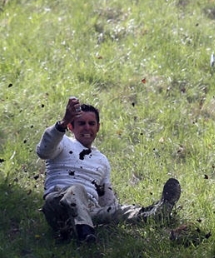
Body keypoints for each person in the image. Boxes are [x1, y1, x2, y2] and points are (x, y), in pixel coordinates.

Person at [37, 97, 182, 243]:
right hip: (59, 205)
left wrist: (115, 211)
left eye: (91, 123)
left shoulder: (101, 160)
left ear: (98, 127)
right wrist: (63, 122)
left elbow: (106, 199)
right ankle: (84, 232)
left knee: (119, 211)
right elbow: (43, 151)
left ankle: (155, 213)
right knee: (76, 190)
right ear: (71, 127)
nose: (87, 127)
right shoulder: (62, 142)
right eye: (81, 123)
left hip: (89, 211)